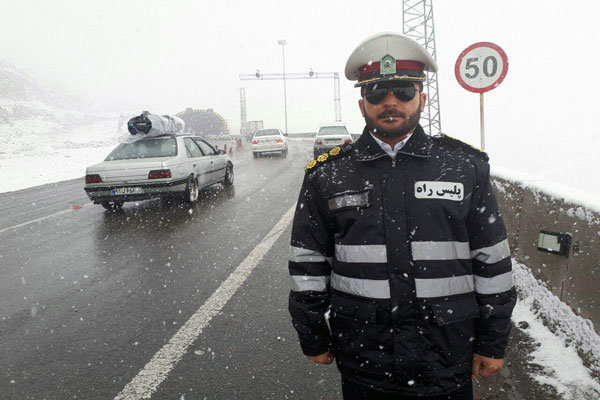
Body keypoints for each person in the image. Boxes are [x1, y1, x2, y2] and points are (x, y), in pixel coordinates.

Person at [288, 32, 516, 400]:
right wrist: (312, 334)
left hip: (448, 356)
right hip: (364, 358)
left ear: (422, 99)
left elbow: (492, 260)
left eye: (404, 92)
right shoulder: (326, 175)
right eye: (376, 93)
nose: (390, 102)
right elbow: (308, 264)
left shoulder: (465, 168)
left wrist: (492, 341)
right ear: (362, 104)